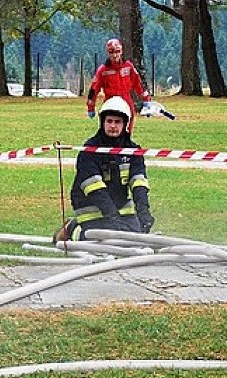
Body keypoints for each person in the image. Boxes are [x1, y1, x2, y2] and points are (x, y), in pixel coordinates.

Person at [55, 96, 154, 243]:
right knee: (100, 237)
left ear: (125, 124)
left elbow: (139, 183)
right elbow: (94, 188)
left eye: (117, 122)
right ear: (102, 122)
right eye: (109, 121)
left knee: (135, 235)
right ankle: (72, 228)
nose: (113, 126)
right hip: (90, 207)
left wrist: (143, 211)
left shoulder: (133, 151)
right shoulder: (89, 150)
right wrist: (111, 214)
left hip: (121, 206)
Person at [86, 38, 151, 133]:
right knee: (107, 124)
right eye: (111, 52)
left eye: (117, 52)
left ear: (121, 51)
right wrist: (90, 107)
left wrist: (146, 99)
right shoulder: (103, 70)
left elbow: (138, 83)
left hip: (126, 98)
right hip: (110, 100)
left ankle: (127, 143)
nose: (115, 55)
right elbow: (93, 89)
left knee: (129, 122)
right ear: (108, 53)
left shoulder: (128, 66)